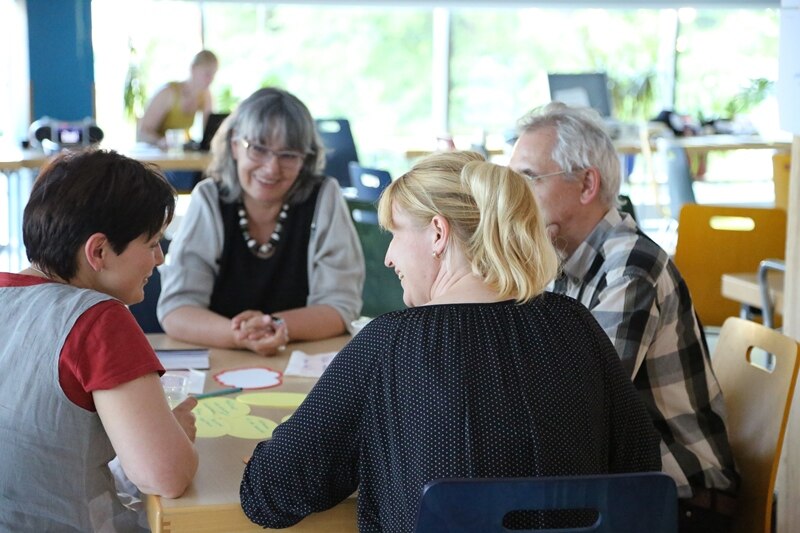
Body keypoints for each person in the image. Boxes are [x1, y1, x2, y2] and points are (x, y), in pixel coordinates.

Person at [239, 151, 662, 531]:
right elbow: (640, 465)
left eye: (396, 232)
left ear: (438, 233)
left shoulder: (387, 345)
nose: (388, 257)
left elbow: (270, 497)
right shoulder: (576, 324)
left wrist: (270, 457)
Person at [509, 102, 738, 533]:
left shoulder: (631, 267)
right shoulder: (563, 260)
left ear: (586, 184)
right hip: (625, 480)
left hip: (683, 499)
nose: (515, 198)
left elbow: (577, 402)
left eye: (527, 180)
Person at [0, 149, 198, 531]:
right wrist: (174, 434)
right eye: (153, 242)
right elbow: (165, 475)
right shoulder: (98, 320)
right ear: (99, 251)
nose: (159, 258)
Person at [157, 87, 365, 356]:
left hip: (300, 362)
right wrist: (240, 336)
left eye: (288, 154)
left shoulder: (324, 196)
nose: (271, 168)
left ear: (306, 158)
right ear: (235, 146)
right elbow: (176, 310)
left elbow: (341, 307)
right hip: (219, 358)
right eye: (258, 149)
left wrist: (275, 326)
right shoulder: (209, 198)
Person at [137, 49, 218, 147]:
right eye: (207, 74)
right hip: (155, 153)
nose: (210, 80)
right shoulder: (168, 93)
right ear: (193, 69)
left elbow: (210, 133)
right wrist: (159, 141)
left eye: (213, 75)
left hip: (178, 153)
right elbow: (141, 133)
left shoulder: (205, 95)